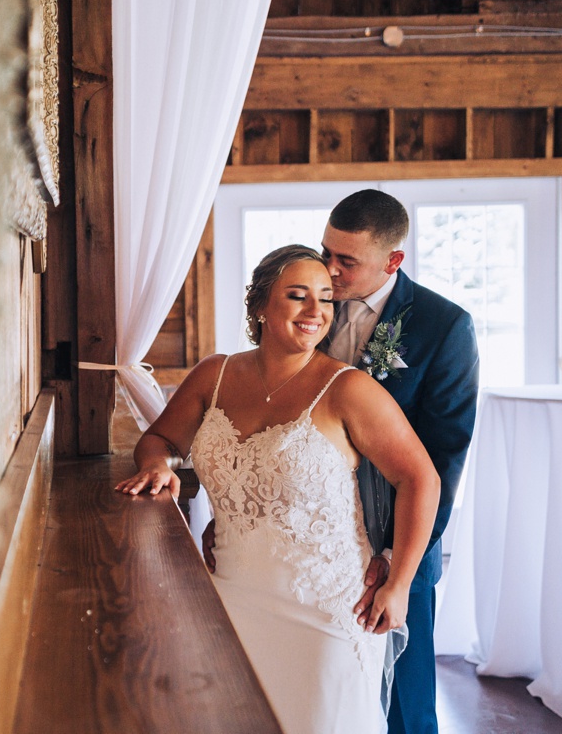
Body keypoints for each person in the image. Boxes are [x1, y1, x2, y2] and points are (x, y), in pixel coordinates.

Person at [119, 245, 440, 734]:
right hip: (231, 598)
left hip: (327, 611)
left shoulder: (346, 389)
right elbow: (160, 439)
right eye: (298, 296)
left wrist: (398, 583)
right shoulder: (215, 374)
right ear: (260, 307)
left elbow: (420, 478)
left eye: (327, 299)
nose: (316, 312)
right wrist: (159, 466)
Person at [321, 189, 479, 734]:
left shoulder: (444, 326)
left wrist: (398, 558)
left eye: (347, 261)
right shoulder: (308, 303)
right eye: (327, 253)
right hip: (318, 535)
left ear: (393, 261)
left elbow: (444, 455)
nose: (330, 272)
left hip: (398, 539)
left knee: (404, 703)